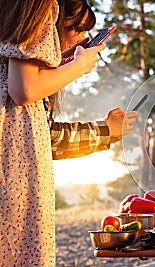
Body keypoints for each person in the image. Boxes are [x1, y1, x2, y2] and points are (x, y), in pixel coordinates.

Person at [0, 0, 103, 265]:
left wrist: (57, 64)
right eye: (76, 28)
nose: (82, 38)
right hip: (14, 156)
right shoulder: (37, 3)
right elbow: (24, 90)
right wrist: (78, 67)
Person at [48, 0, 137, 159]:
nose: (82, 38)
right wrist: (106, 130)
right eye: (78, 29)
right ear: (54, 23)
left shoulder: (40, 71)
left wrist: (62, 64)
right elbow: (45, 138)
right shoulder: (29, 75)